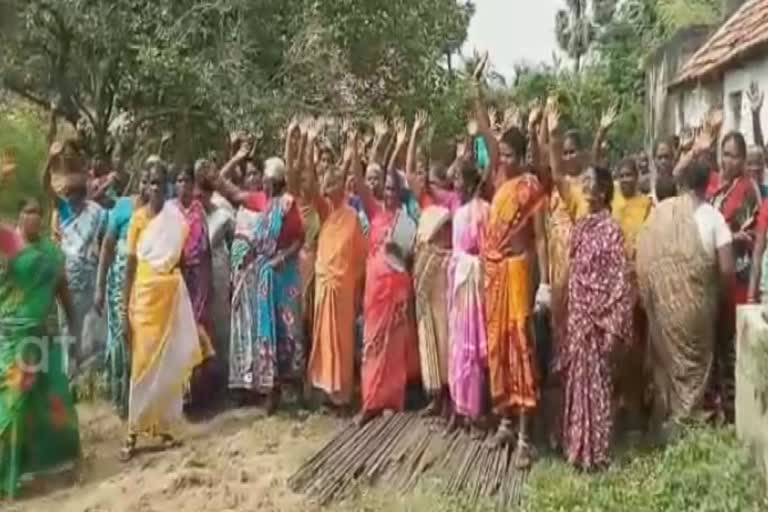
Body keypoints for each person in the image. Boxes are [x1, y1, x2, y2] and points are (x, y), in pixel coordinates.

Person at [637, 157, 735, 431]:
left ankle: (668, 421)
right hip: (697, 310)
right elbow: (727, 270)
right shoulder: (713, 217)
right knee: (694, 369)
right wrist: (723, 304)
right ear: (707, 185)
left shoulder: (661, 214)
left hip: (662, 309)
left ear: (682, 185)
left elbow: (642, 257)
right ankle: (689, 424)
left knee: (669, 366)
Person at [120, 162, 202, 461]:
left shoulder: (175, 220)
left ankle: (163, 428)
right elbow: (130, 266)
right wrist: (122, 308)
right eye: (151, 183)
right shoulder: (138, 221)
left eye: (160, 183)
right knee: (142, 366)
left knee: (166, 365)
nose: (155, 188)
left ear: (166, 188)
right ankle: (132, 433)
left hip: (168, 299)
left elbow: (178, 261)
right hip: (142, 300)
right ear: (144, 186)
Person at [0, 199, 81, 498]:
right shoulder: (8, 245)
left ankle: (59, 466)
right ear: (19, 216)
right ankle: (7, 477)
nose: (33, 217)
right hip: (11, 338)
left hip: (42, 340)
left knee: (52, 403)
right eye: (27, 212)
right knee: (13, 406)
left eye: (38, 212)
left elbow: (63, 293)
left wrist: (75, 330)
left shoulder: (51, 253)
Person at [481, 118, 549, 467]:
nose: (503, 160)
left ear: (522, 156)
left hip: (519, 275)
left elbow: (539, 238)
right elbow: (488, 141)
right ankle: (505, 422)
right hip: (494, 278)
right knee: (498, 350)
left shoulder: (530, 187)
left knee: (521, 348)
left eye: (509, 154)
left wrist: (544, 284)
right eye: (501, 154)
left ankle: (525, 437)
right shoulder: (500, 183)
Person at [219, 148, 306, 413]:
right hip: (264, 277)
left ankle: (296, 388)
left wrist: (283, 256)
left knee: (288, 331)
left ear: (276, 181)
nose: (265, 183)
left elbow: (300, 238)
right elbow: (231, 192)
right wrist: (231, 160)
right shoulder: (260, 202)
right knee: (267, 332)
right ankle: (272, 390)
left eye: (268, 179)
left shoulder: (289, 205)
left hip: (284, 275)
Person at [561, 165, 635, 470]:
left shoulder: (612, 230)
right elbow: (575, 272)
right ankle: (579, 448)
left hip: (601, 319)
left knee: (599, 385)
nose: (587, 187)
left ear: (604, 191)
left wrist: (613, 323)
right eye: (585, 181)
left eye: (592, 182)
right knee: (578, 380)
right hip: (579, 316)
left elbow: (619, 280)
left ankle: (599, 451)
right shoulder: (580, 227)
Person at [353, 126, 420, 426]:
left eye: (395, 190)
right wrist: (355, 149)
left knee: (395, 346)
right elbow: (357, 180)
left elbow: (409, 258)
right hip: (375, 291)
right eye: (388, 189)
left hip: (398, 288)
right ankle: (369, 402)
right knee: (372, 344)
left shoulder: (407, 220)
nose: (390, 194)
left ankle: (392, 399)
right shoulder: (374, 211)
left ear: (401, 193)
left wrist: (400, 251)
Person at [305, 161, 367, 409]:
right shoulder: (325, 212)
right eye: (327, 183)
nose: (329, 187)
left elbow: (361, 255)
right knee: (323, 339)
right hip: (324, 285)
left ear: (344, 185)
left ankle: (342, 393)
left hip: (344, 288)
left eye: (334, 182)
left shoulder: (353, 216)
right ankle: (326, 390)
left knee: (342, 340)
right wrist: (307, 146)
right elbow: (309, 187)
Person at [710, 131, 760, 421]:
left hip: (738, 278)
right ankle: (720, 408)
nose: (728, 160)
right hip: (716, 278)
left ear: (743, 160)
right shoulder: (716, 187)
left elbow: (754, 235)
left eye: (734, 155)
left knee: (735, 347)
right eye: (725, 154)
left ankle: (737, 412)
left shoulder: (747, 190)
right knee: (717, 345)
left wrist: (733, 236)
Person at [94, 169, 150, 418]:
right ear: (139, 182)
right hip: (119, 283)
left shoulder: (161, 212)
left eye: (155, 180)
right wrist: (99, 286)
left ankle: (144, 399)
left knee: (145, 339)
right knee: (120, 338)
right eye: (145, 179)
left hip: (148, 285)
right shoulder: (123, 207)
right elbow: (107, 246)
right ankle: (121, 398)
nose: (149, 185)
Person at [447, 160, 490, 435]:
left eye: (458, 180)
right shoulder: (459, 212)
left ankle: (476, 412)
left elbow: (486, 250)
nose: (455, 185)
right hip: (460, 286)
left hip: (475, 285)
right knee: (458, 346)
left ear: (470, 182)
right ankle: (460, 408)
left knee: (473, 350)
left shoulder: (484, 211)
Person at [611, 157, 653, 429]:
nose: (625, 179)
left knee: (636, 346)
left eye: (630, 175)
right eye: (621, 175)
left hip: (636, 283)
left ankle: (636, 404)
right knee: (615, 347)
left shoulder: (647, 205)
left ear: (637, 177)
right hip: (612, 285)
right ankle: (617, 404)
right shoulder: (611, 199)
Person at [51, 173, 107, 377]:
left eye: (74, 196)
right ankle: (68, 371)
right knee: (66, 324)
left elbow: (104, 243)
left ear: (83, 196)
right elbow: (46, 190)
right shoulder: (65, 211)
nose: (71, 200)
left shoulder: (96, 213)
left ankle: (79, 368)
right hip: (66, 277)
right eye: (67, 196)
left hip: (87, 277)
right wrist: (51, 162)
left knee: (81, 323)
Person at [172, 164, 216, 407]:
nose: (183, 185)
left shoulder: (199, 210)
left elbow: (206, 248)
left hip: (199, 277)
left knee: (199, 330)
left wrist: (210, 284)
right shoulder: (169, 210)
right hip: (177, 278)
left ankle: (201, 391)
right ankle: (183, 392)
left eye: (186, 180)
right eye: (178, 180)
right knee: (180, 332)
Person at [195, 160, 234, 388]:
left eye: (204, 194)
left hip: (219, 272)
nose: (200, 199)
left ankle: (225, 377)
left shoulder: (223, 213)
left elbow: (235, 241)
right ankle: (204, 380)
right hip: (197, 277)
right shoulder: (189, 215)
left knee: (221, 321)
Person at [413, 205, 452, 416]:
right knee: (430, 349)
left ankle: (448, 402)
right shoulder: (424, 253)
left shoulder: (448, 258)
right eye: (442, 229)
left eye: (448, 228)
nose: (447, 233)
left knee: (445, 349)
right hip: (428, 308)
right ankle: (436, 400)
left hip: (443, 307)